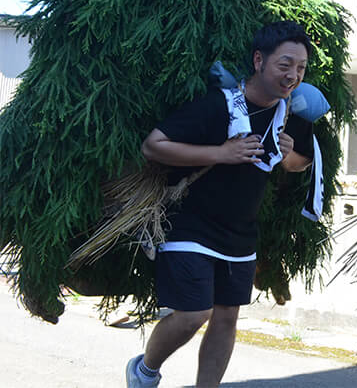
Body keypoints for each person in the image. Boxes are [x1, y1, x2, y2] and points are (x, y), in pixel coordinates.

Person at [125, 21, 316, 388]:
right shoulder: (219, 105)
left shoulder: (289, 113)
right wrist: (222, 152)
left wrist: (289, 156)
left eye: (301, 68)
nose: (293, 75)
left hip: (241, 233)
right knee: (194, 312)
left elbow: (298, 162)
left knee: (227, 317)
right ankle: (145, 369)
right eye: (285, 65)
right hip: (190, 225)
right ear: (259, 60)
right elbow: (154, 146)